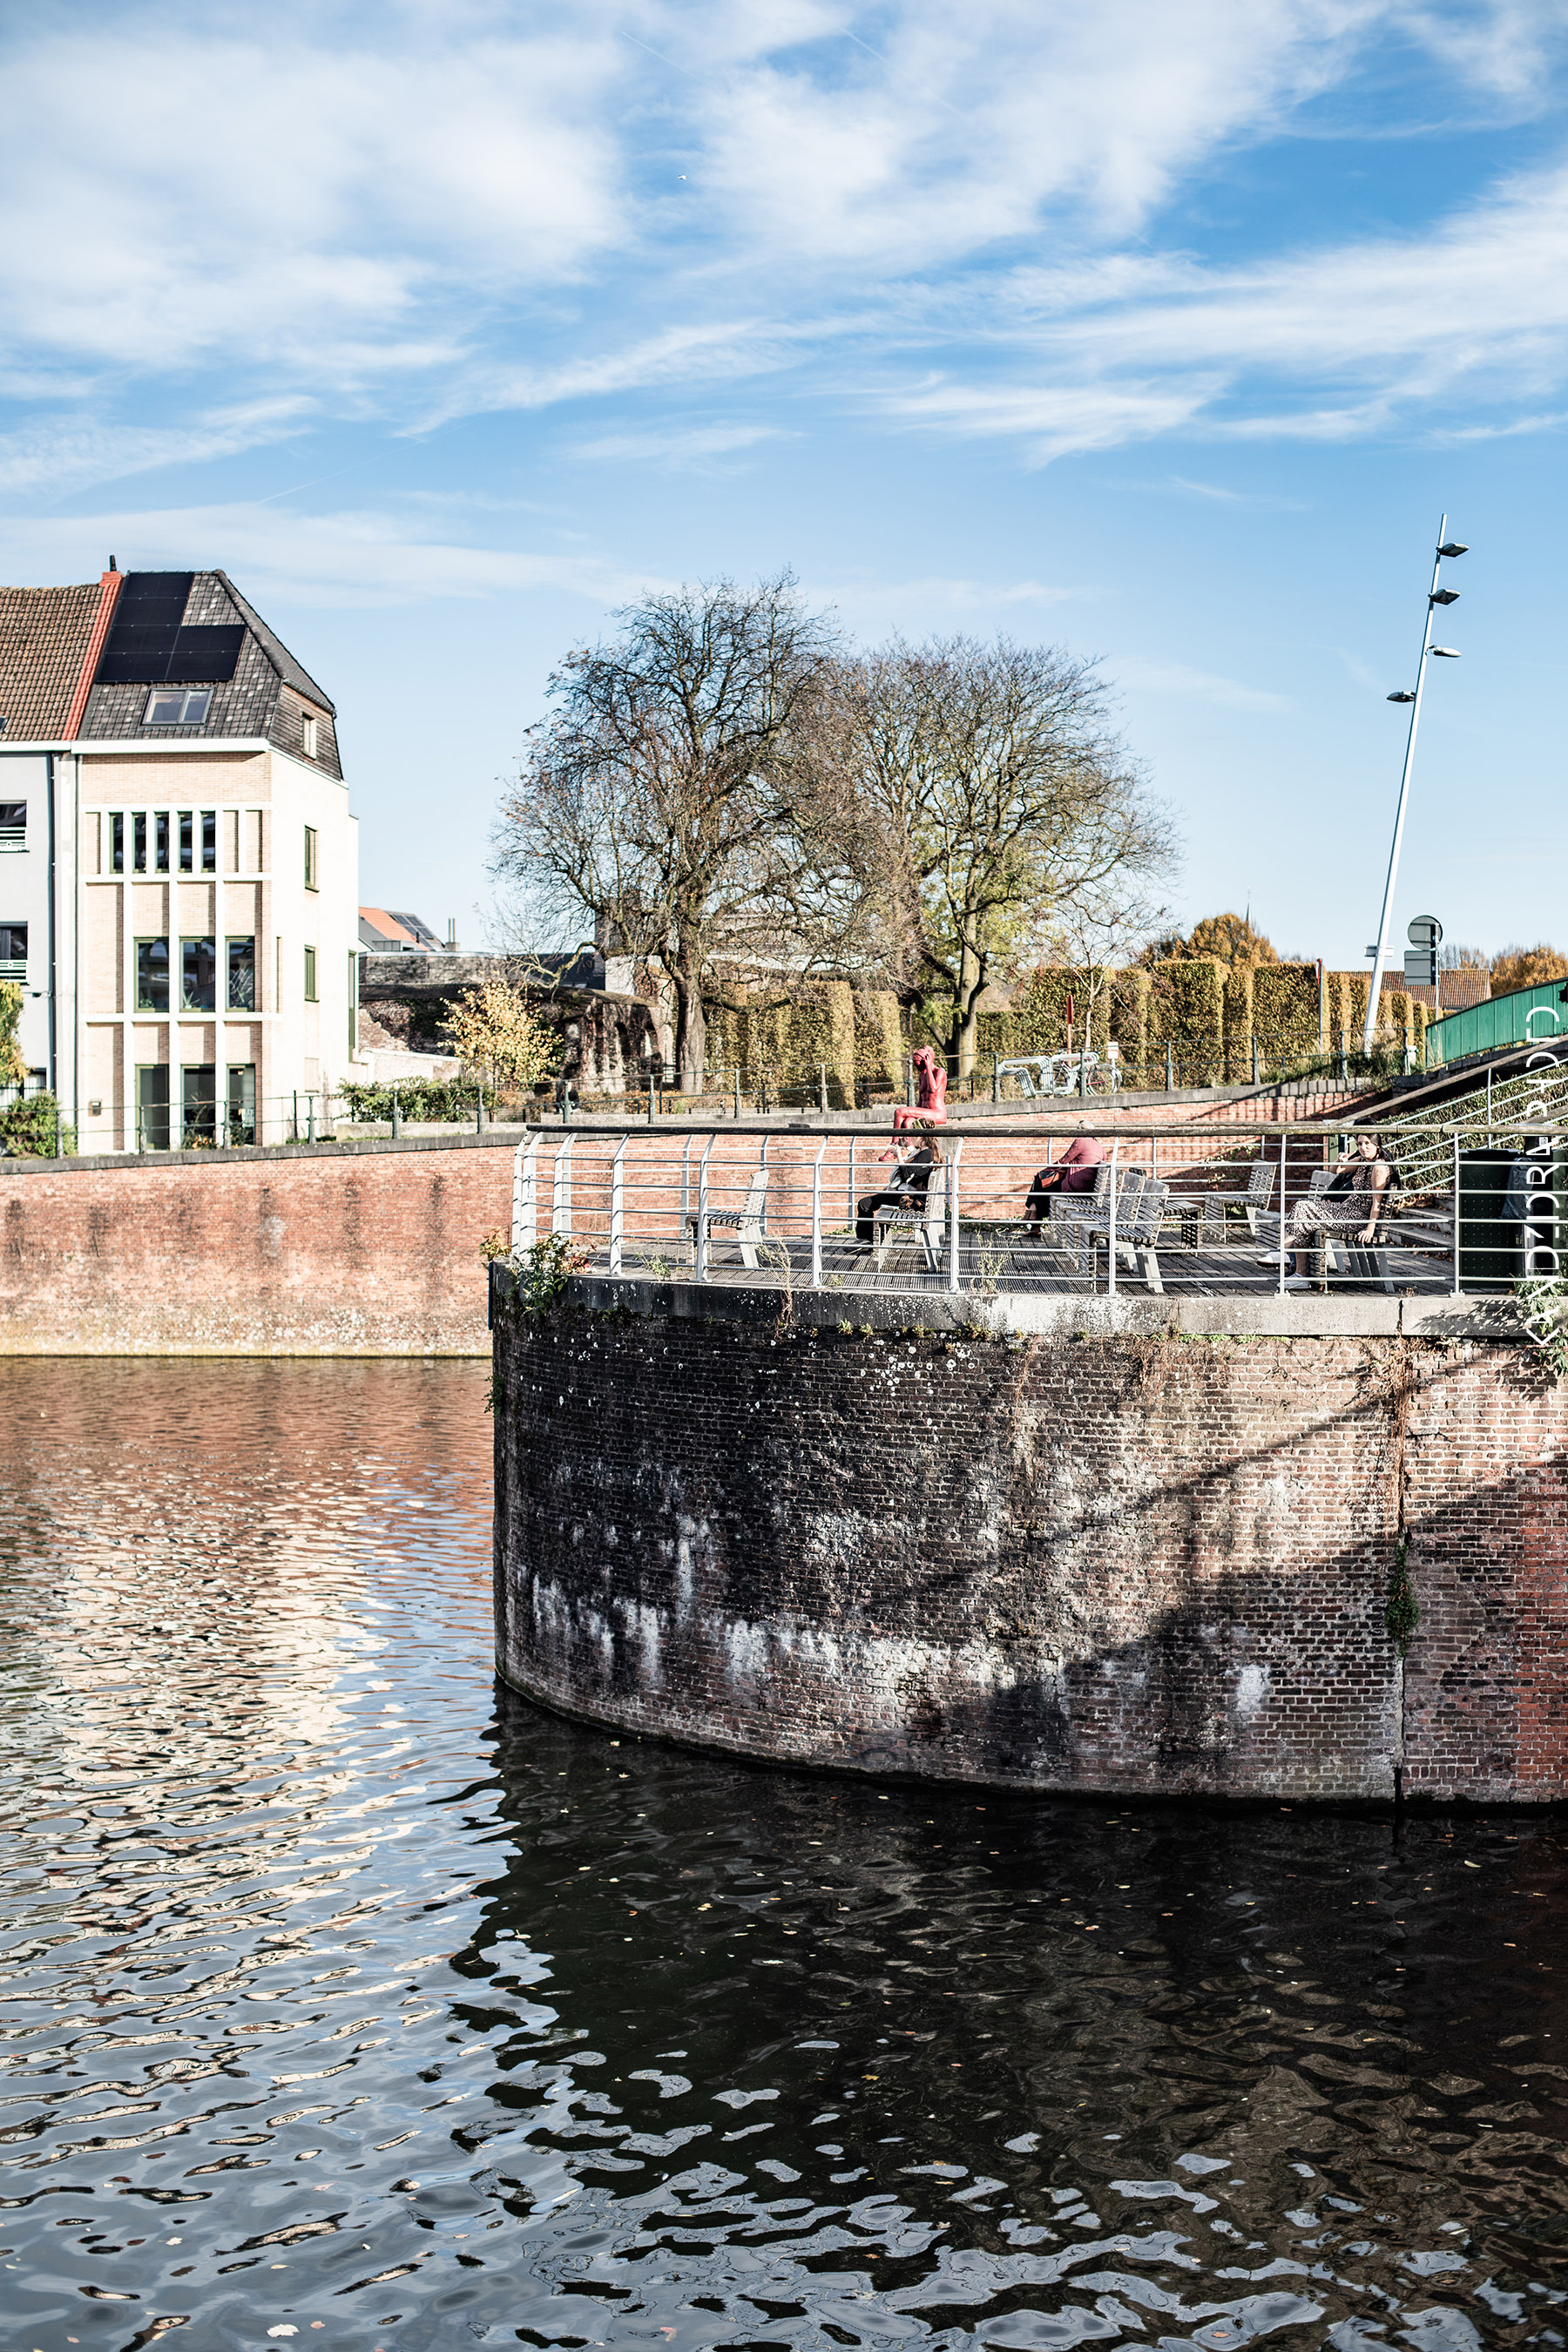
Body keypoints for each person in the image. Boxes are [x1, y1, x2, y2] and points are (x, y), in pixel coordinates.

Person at [1261, 1133, 1392, 1288]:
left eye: (1367, 1143)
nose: (1362, 1148)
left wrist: (1370, 1228)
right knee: (1301, 1209)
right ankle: (1297, 1271)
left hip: (1355, 1218)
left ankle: (1285, 1254)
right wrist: (1340, 1160)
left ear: (1377, 1145)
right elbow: (1334, 1170)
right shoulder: (1364, 1161)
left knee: (1302, 1208)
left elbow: (1377, 1201)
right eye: (1359, 1144)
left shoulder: (1379, 1167)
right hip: (1345, 1210)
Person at [857, 1132, 941, 1245]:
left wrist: (899, 1155)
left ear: (920, 1136)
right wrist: (906, 1146)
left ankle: (867, 1241)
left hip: (908, 1199)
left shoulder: (927, 1153)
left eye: (912, 1134)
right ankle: (868, 1240)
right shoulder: (927, 1152)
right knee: (866, 1203)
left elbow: (906, 1172)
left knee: (864, 1204)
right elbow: (915, 1158)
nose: (910, 1137)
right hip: (908, 1195)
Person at [1024, 1135, 1106, 1225]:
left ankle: (1033, 1216)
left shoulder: (1081, 1141)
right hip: (1087, 1187)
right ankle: (1033, 1217)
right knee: (1043, 1186)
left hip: (1075, 1186)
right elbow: (1104, 1157)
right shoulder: (1098, 1146)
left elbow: (1064, 1160)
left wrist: (1045, 1171)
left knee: (1040, 1181)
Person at [893, 1044, 949, 1133]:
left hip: (937, 1113)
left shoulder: (939, 1071)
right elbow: (920, 1100)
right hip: (924, 1112)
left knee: (899, 1112)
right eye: (917, 1067)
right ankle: (909, 1146)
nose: (919, 1069)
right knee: (907, 1122)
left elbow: (933, 1089)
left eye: (920, 1066)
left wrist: (928, 1067)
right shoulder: (922, 1076)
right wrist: (911, 1113)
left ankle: (894, 1143)